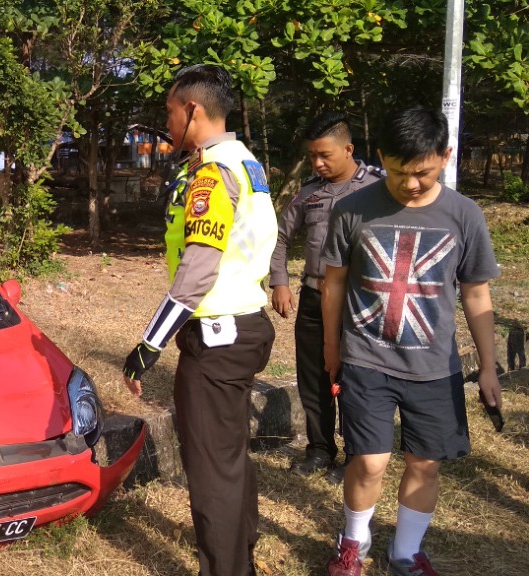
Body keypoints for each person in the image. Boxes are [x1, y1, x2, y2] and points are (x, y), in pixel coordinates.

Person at [322, 106, 501, 576]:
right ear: (382, 157)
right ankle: (353, 546)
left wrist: (487, 365)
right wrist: (331, 347)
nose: (411, 184)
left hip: (434, 368)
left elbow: (476, 292)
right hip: (367, 359)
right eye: (399, 172)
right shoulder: (352, 209)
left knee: (424, 464)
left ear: (445, 156)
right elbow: (334, 284)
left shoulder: (464, 216)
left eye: (422, 172)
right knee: (370, 461)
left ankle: (406, 553)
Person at [122, 63, 277, 576]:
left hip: (216, 337)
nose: (166, 125)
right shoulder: (247, 163)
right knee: (228, 456)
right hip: (245, 326)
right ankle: (242, 556)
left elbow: (197, 270)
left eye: (170, 113)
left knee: (210, 469)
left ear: (193, 109)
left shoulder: (213, 173)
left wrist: (148, 346)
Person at [269, 112, 384, 482]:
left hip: (360, 303)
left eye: (325, 155)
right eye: (313, 156)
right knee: (313, 378)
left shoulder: (379, 191)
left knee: (356, 381)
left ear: (348, 148)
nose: (318, 163)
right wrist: (279, 281)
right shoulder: (310, 192)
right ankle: (319, 450)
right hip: (316, 298)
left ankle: (356, 455)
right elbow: (280, 236)